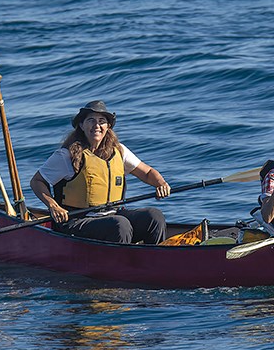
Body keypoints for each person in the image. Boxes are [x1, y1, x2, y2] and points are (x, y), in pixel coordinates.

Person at [30, 100, 171, 244]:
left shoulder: (119, 151)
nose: (96, 125)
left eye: (101, 121)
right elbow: (37, 181)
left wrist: (161, 183)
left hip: (113, 216)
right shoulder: (67, 156)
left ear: (108, 126)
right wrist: (53, 206)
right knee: (120, 225)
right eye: (91, 120)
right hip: (76, 221)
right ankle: (120, 263)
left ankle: (152, 259)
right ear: (81, 125)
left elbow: (147, 173)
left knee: (154, 216)